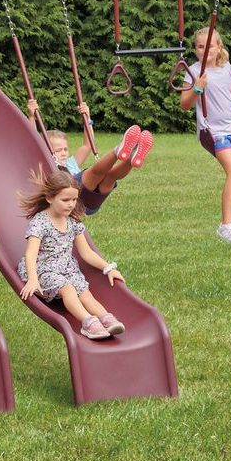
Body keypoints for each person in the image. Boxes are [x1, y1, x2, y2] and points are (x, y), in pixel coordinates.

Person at [16, 168, 127, 340]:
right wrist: (33, 279)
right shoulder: (40, 222)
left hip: (67, 269)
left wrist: (108, 268)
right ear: (50, 198)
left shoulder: (72, 222)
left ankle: (106, 318)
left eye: (74, 199)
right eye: (65, 200)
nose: (71, 204)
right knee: (68, 289)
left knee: (84, 292)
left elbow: (87, 252)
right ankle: (88, 323)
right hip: (43, 271)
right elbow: (31, 253)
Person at [179, 25, 231, 243]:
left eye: (209, 46)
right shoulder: (194, 72)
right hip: (214, 131)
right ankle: (225, 225)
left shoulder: (226, 68)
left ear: (218, 47)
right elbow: (184, 104)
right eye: (200, 47)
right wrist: (197, 88)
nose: (204, 51)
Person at [27, 102, 153, 216]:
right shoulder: (46, 164)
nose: (63, 153)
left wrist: (87, 118)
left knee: (110, 176)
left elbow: (88, 145)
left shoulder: (71, 163)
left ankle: (131, 158)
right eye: (58, 150)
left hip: (91, 203)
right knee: (94, 172)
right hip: (71, 200)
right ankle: (117, 151)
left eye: (65, 149)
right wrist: (32, 118)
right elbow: (33, 145)